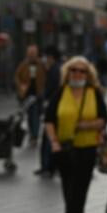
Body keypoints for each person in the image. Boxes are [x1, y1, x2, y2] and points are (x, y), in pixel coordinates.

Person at [44, 56, 107, 213]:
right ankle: (77, 212)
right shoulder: (60, 92)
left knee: (81, 183)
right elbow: (49, 119)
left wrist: (86, 125)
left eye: (82, 71)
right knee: (68, 183)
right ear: (67, 72)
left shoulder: (93, 93)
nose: (77, 74)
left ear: (88, 74)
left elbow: (104, 119)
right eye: (73, 70)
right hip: (64, 146)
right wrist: (54, 142)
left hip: (87, 145)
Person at [35, 45, 63, 178]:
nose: (45, 59)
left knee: (48, 138)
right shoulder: (55, 69)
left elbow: (51, 90)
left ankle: (48, 166)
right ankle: (50, 166)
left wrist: (44, 100)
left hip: (52, 109)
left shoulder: (54, 70)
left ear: (51, 57)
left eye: (46, 56)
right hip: (54, 107)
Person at [14, 45, 47, 146]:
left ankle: (34, 135)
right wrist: (21, 88)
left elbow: (46, 76)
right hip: (27, 94)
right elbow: (17, 77)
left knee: (36, 114)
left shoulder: (41, 64)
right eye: (30, 53)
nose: (32, 55)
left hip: (38, 93)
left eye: (34, 53)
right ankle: (34, 135)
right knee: (30, 115)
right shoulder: (23, 65)